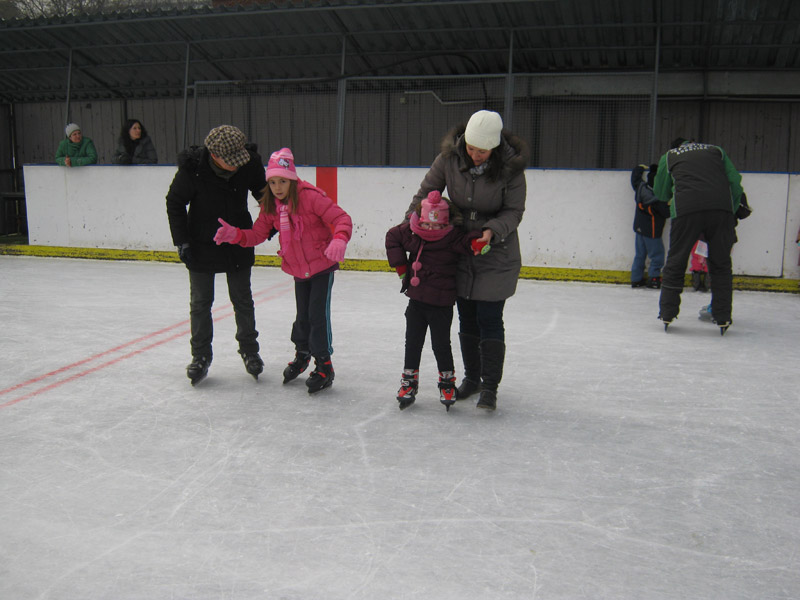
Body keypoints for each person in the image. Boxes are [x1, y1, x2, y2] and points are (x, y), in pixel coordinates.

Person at [406, 110, 529, 411]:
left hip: (495, 252)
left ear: (494, 148)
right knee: (466, 317)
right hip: (458, 249)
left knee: (489, 318)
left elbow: (514, 211)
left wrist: (492, 231)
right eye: (472, 148)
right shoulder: (449, 158)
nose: (475, 155)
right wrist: (409, 227)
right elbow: (425, 194)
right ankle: (472, 378)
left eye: (482, 151)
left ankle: (490, 387)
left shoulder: (511, 169)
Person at [214, 147, 352, 394]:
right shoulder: (271, 205)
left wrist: (339, 239)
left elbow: (341, 218)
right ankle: (302, 353)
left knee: (317, 316)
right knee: (302, 317)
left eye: (283, 181)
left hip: (321, 265)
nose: (277, 187)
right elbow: (258, 234)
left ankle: (324, 364)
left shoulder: (310, 197)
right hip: (298, 268)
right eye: (273, 182)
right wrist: (235, 235)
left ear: (292, 180)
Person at [166, 124, 266, 385]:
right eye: (231, 160)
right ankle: (200, 355)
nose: (237, 165)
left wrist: (272, 225)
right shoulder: (193, 169)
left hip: (238, 238)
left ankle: (250, 351)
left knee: (242, 299)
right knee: (201, 302)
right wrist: (182, 242)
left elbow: (264, 194)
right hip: (202, 241)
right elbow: (175, 202)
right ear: (214, 155)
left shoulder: (249, 163)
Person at [386, 190, 489, 411]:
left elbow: (467, 241)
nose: (431, 230)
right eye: (427, 224)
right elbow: (392, 237)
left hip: (441, 305)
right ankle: (409, 382)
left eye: (437, 225)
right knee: (412, 343)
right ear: (420, 220)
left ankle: (447, 382)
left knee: (441, 345)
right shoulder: (413, 234)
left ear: (446, 223)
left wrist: (477, 244)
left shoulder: (452, 238)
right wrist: (402, 268)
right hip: (416, 302)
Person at [654, 137, 746, 335]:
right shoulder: (717, 151)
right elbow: (734, 182)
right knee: (721, 264)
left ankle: (667, 313)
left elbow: (660, 192)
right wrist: (731, 210)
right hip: (720, 210)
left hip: (686, 210)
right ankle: (722, 316)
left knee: (676, 259)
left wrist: (670, 196)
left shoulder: (669, 156)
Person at [629, 163, 669, 289]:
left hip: (639, 229)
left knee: (640, 255)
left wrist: (639, 168)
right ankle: (654, 278)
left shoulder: (641, 188)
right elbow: (667, 213)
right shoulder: (658, 200)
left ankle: (636, 279)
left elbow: (635, 180)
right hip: (652, 232)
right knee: (657, 255)